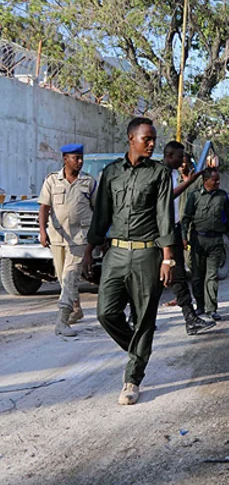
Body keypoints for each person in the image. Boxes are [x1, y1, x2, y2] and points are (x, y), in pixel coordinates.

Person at [83, 117, 174, 406]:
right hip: (116, 253)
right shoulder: (111, 174)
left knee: (144, 317)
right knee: (105, 313)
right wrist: (89, 249)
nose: (151, 144)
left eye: (153, 140)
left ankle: (132, 380)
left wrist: (167, 259)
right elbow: (101, 216)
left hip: (148, 254)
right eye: (146, 139)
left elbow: (164, 217)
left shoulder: (159, 174)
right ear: (131, 139)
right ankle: (138, 350)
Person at [37, 144, 97, 337]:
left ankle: (61, 321)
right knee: (63, 277)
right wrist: (43, 231)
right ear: (65, 158)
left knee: (71, 276)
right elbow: (44, 207)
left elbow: (98, 210)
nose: (80, 162)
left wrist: (98, 237)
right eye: (75, 158)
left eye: (81, 158)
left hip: (80, 238)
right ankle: (76, 309)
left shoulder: (88, 182)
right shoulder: (52, 181)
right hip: (58, 237)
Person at [162, 141, 213, 335]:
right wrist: (189, 183)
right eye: (179, 156)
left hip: (173, 228)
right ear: (169, 156)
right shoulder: (162, 173)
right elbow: (167, 197)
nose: (182, 160)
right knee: (166, 275)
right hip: (162, 231)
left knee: (178, 276)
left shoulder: (173, 174)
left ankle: (190, 318)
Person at [182, 168, 229, 322]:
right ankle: (200, 305)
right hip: (198, 241)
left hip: (216, 242)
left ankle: (211, 309)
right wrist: (184, 237)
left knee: (212, 276)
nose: (218, 182)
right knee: (197, 276)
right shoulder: (194, 196)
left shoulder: (222, 196)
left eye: (218, 179)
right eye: (215, 180)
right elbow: (186, 218)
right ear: (205, 180)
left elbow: (228, 218)